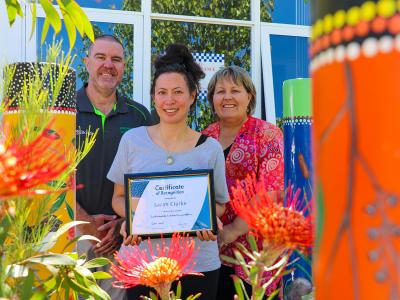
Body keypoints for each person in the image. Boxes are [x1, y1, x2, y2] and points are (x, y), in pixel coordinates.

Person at [107, 44, 229, 300]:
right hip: (142, 264)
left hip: (198, 266)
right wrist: (131, 219)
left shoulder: (210, 149)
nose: (169, 100)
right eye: (162, 92)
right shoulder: (133, 141)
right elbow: (119, 198)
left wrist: (206, 218)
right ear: (153, 97)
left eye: (177, 92)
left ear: (193, 95)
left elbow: (220, 204)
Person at [76, 34, 153, 299]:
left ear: (123, 68)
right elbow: (50, 174)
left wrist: (126, 221)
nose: (108, 64)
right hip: (69, 231)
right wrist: (84, 221)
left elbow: (149, 177)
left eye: (116, 59)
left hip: (120, 240)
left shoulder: (141, 116)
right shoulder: (64, 111)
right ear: (86, 63)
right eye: (101, 57)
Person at [202, 66, 284, 299]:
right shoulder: (204, 137)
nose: (227, 97)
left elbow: (270, 191)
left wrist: (231, 231)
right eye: (220, 91)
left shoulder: (267, 134)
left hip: (256, 254)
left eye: (235, 90)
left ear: (249, 96)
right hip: (211, 250)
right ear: (212, 99)